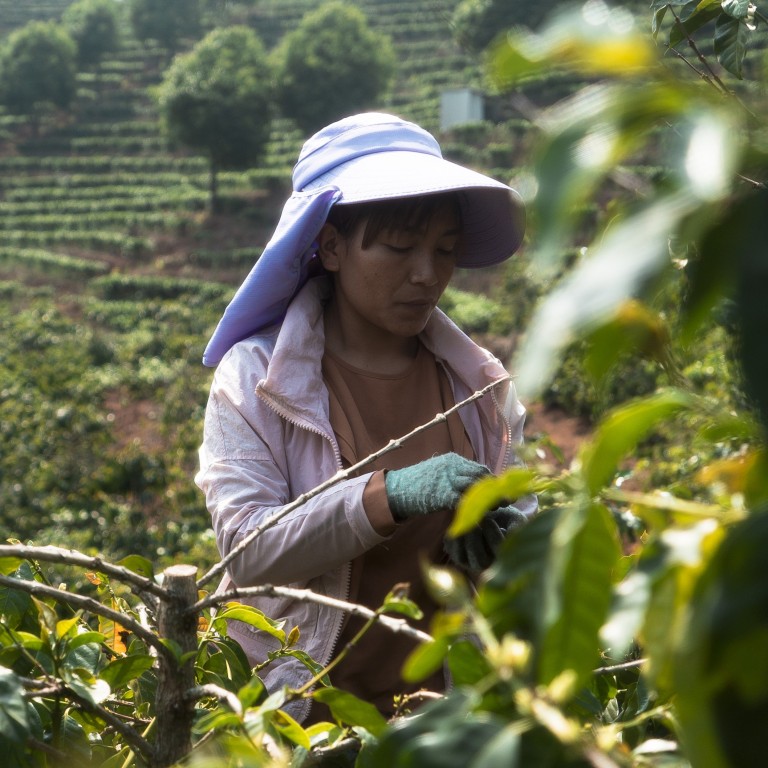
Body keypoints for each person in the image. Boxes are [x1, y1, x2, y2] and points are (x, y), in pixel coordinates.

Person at [195, 112, 537, 724]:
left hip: (438, 724)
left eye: (445, 251)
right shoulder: (257, 379)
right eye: (400, 247)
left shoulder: (480, 386)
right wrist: (389, 496)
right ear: (329, 246)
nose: (426, 274)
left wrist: (508, 546)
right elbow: (246, 549)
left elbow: (524, 537)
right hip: (298, 719)